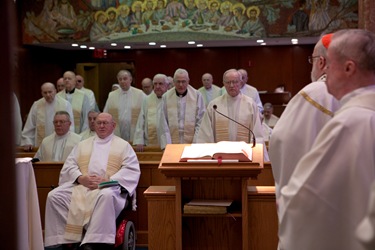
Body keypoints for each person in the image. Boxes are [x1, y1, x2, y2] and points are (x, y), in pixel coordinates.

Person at [278, 29, 375, 250]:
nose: (325, 72)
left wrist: (286, 201)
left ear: (349, 68)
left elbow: (309, 203)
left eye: (329, 65)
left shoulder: (351, 123)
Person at [44, 112, 140, 250]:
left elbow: (131, 169)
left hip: (109, 187)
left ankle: (95, 242)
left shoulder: (123, 146)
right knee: (54, 196)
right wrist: (80, 178)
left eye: (105, 123)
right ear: (94, 125)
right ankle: (64, 239)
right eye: (98, 123)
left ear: (113, 126)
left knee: (105, 196)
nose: (101, 126)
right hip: (82, 187)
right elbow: (69, 166)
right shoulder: (82, 145)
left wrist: (108, 180)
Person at [269, 33, 340, 213]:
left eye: (312, 60)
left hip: (321, 203)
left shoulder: (314, 94)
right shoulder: (362, 90)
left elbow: (282, 143)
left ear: (321, 62)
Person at [196, 69, 263, 144]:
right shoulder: (214, 106)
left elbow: (257, 135)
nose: (231, 85)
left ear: (240, 83)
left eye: (235, 82)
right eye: (228, 82)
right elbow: (205, 135)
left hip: (244, 152)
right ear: (223, 84)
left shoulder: (250, 104)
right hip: (220, 153)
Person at [159, 68, 205, 149]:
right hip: (172, 143)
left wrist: (195, 144)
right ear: (173, 81)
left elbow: (200, 121)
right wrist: (167, 145)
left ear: (188, 81)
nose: (181, 85)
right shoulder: (166, 97)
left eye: (183, 81)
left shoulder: (197, 95)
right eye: (178, 81)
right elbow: (163, 123)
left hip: (192, 143)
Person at [21, 82, 74, 149]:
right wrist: (27, 142)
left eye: (50, 92)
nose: (48, 95)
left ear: (55, 91)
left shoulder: (65, 104)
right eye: (45, 93)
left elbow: (70, 125)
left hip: (61, 144)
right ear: (41, 93)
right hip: (41, 145)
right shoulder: (37, 105)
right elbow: (30, 126)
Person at [103, 70, 146, 143]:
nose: (122, 81)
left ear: (130, 80)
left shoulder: (140, 94)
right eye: (120, 79)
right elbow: (105, 115)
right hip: (117, 133)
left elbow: (145, 115)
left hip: (135, 134)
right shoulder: (112, 95)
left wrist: (140, 139)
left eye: (125, 79)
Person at [133, 74, 169, 151]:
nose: (157, 86)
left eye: (160, 84)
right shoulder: (147, 99)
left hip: (169, 143)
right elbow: (141, 121)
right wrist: (139, 140)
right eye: (155, 84)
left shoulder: (171, 98)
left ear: (167, 85)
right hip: (150, 144)